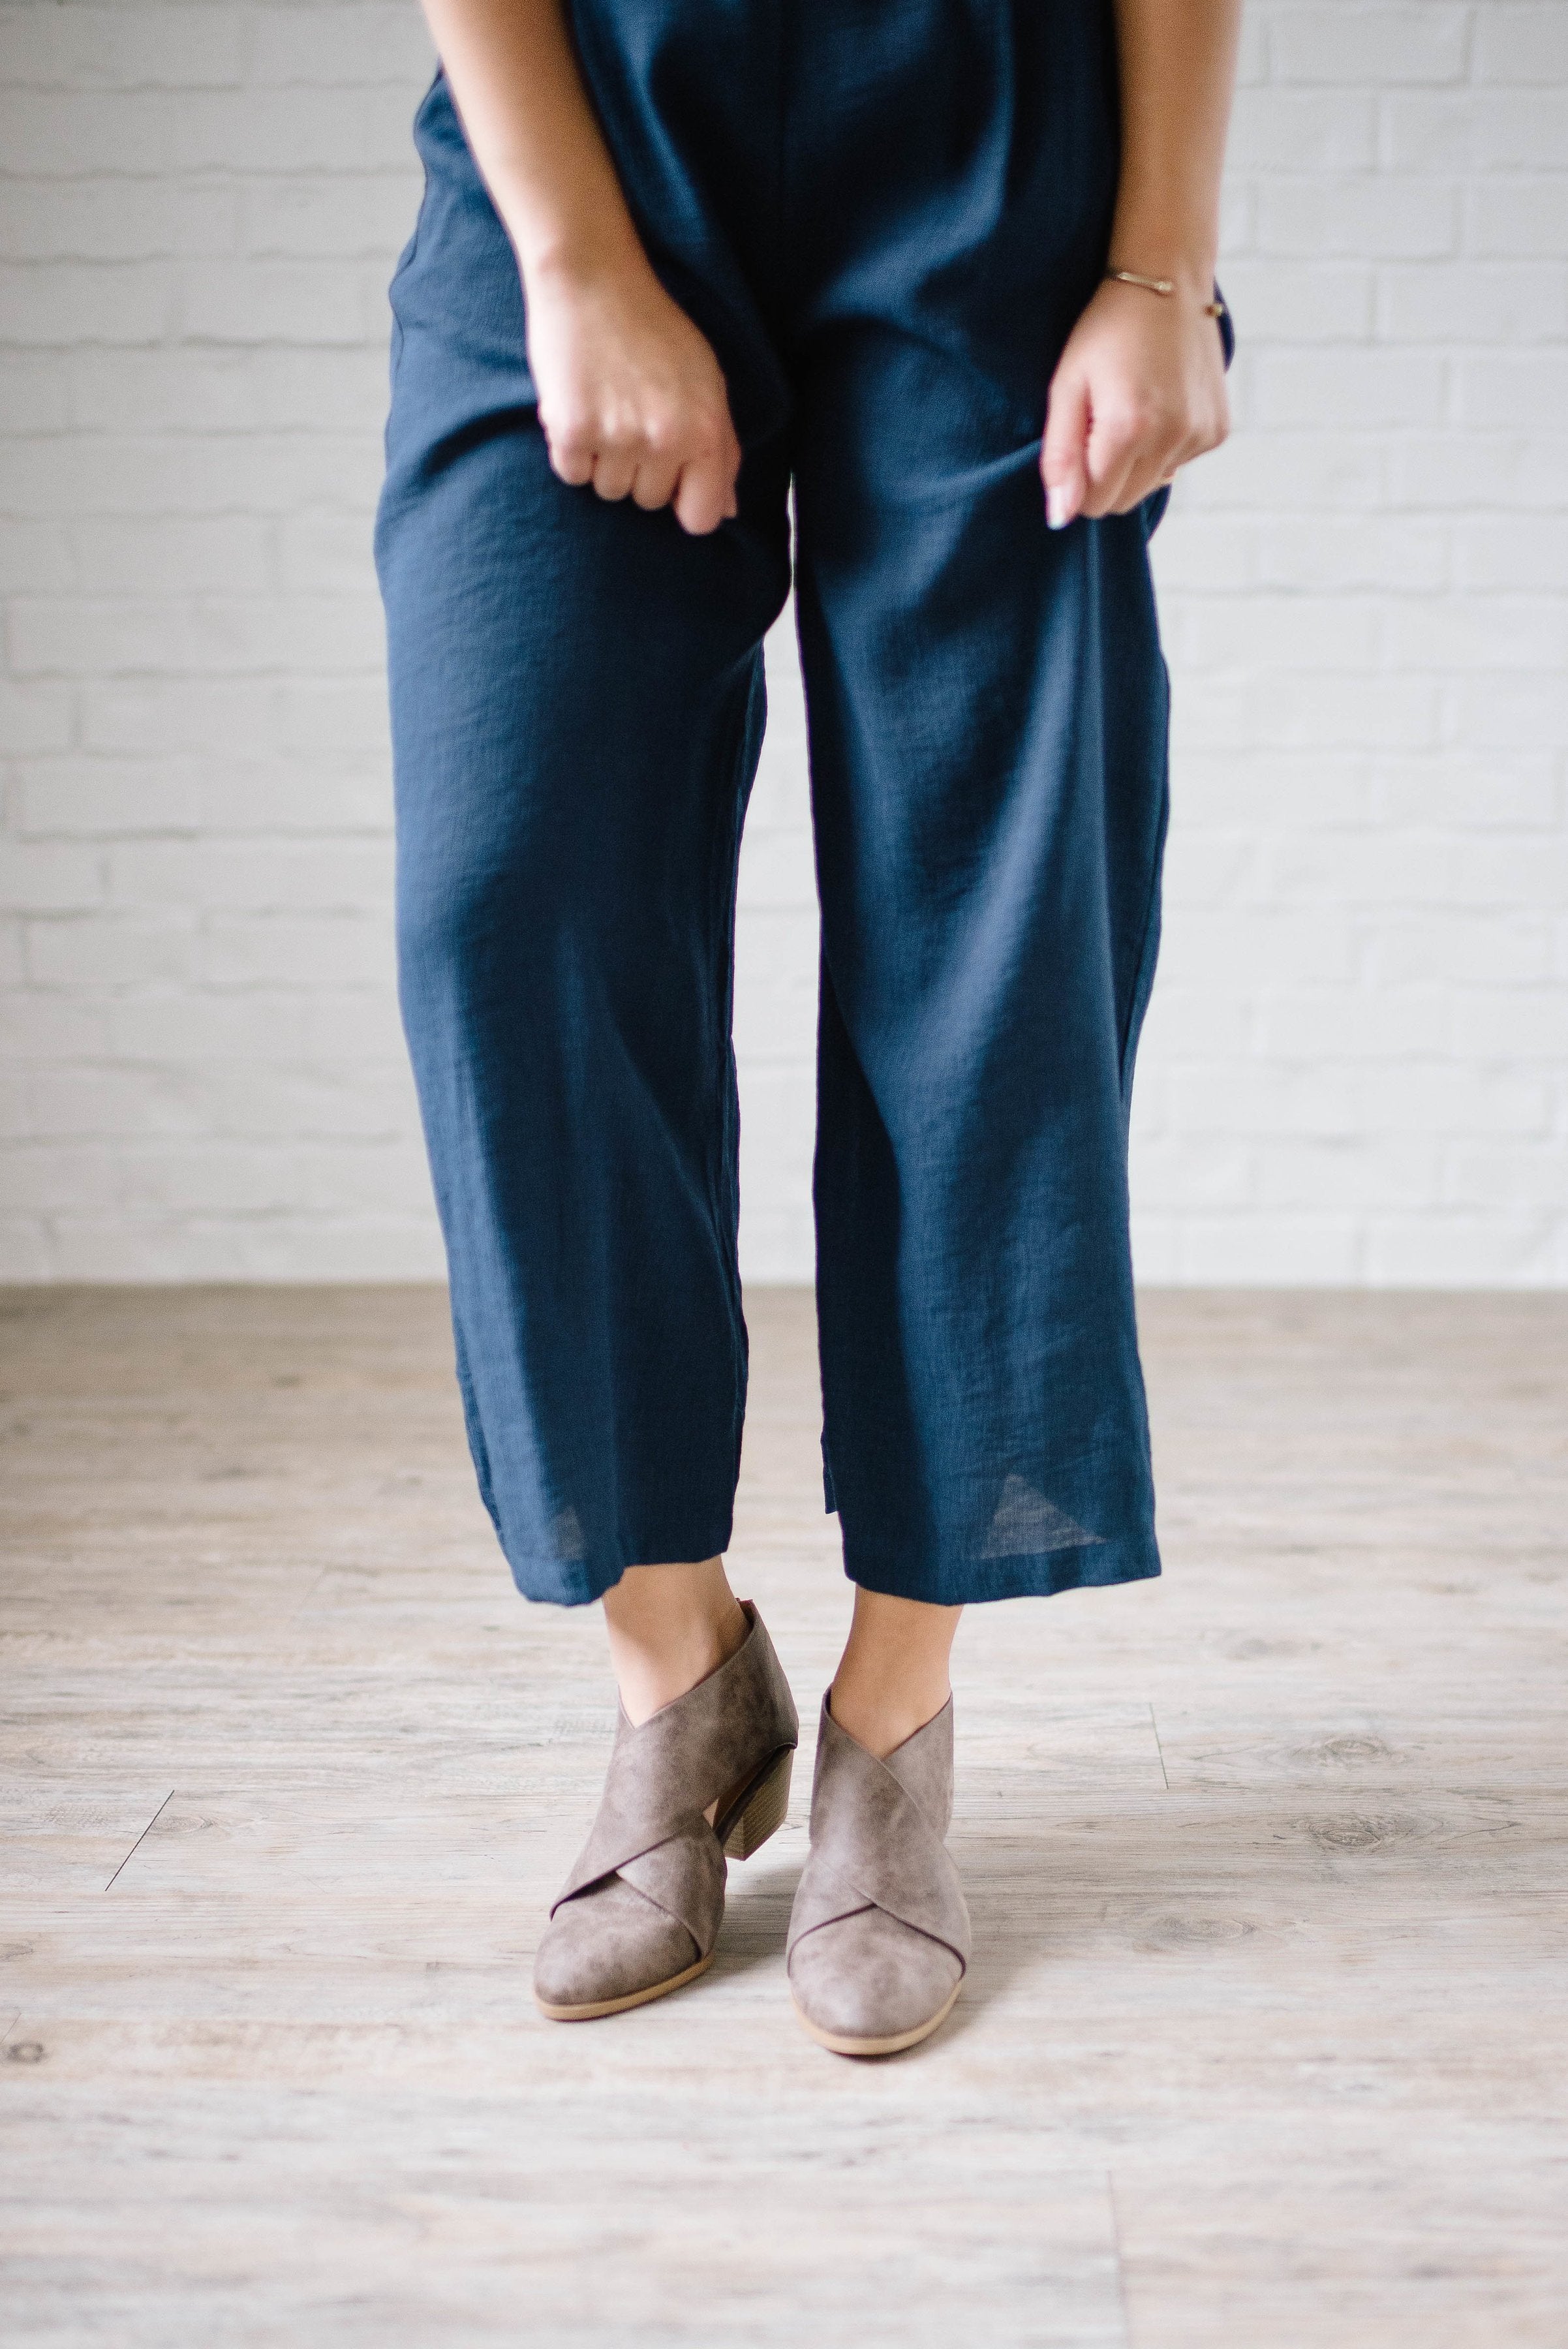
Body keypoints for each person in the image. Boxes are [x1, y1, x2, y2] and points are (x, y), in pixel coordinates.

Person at [376, 0, 1240, 2057]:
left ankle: (892, 1711)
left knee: (997, 931)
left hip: (997, 126)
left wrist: (1158, 267)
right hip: (581, 117)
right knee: (506, 894)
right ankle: (679, 1679)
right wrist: (577, 260)